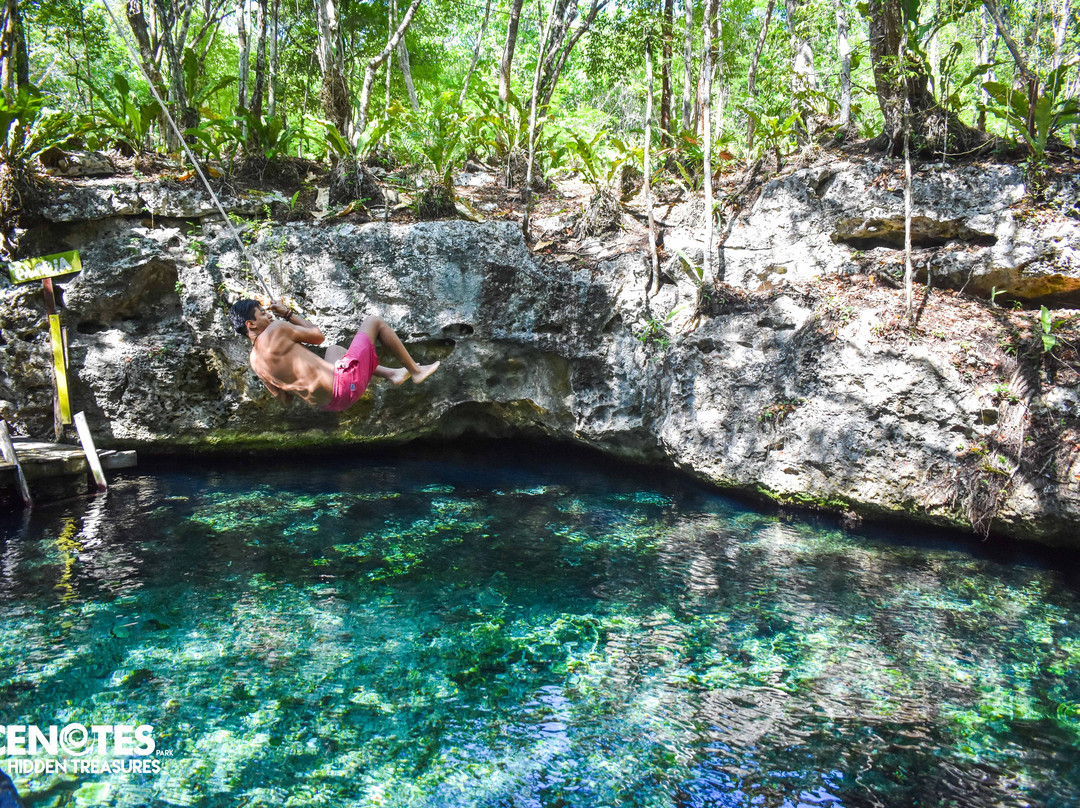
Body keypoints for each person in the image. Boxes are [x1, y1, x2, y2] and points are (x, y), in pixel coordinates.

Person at [229, 299, 439, 412]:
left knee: (335, 351)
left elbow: (285, 401)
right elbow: (318, 336)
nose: (268, 314)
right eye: (262, 313)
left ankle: (393, 374)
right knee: (374, 321)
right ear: (251, 324)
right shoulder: (275, 329)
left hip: (331, 404)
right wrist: (287, 314)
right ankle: (416, 371)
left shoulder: (254, 362)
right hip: (345, 385)